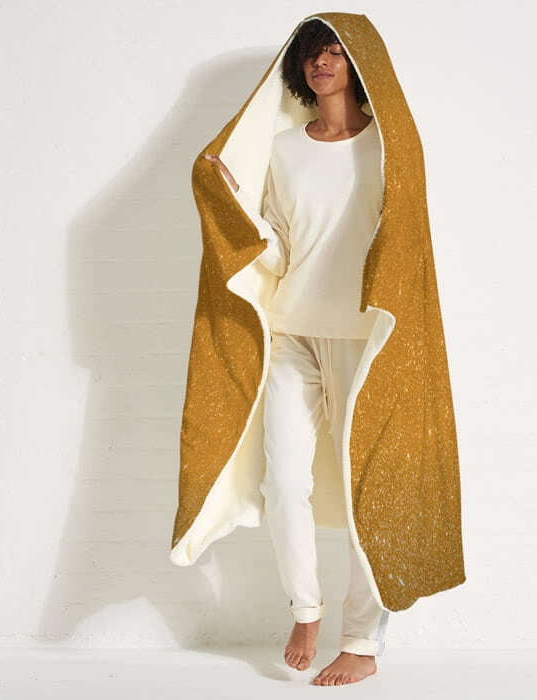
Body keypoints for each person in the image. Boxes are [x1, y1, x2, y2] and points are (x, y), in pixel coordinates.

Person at [205, 20, 387, 686]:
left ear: (359, 64)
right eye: (312, 53)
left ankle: (362, 642)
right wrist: (235, 204)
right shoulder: (285, 150)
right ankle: (306, 608)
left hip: (365, 339)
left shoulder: (388, 146)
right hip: (291, 333)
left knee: (373, 491)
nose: (322, 61)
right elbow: (278, 248)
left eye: (335, 51)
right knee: (283, 481)